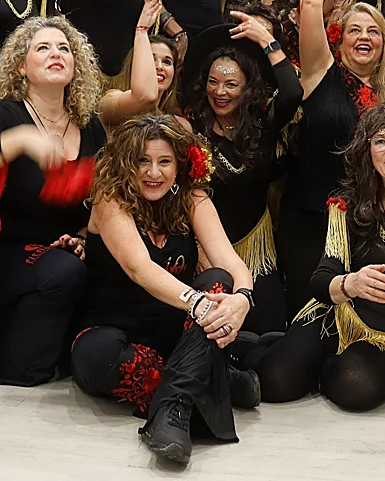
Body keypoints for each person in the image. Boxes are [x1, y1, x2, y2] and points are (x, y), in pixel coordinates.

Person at [70, 114, 257, 466]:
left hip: (177, 333)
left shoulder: (192, 198)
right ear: (127, 163)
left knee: (217, 277)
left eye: (164, 162)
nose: (153, 172)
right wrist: (198, 304)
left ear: (179, 166)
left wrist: (242, 299)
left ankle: (175, 408)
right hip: (113, 330)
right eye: (143, 160)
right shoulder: (109, 199)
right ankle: (216, 382)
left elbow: (230, 263)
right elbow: (139, 268)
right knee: (96, 356)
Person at [0, 16, 106, 386]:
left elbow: (105, 198)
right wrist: (18, 141)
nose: (55, 54)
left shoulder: (89, 123)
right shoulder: (5, 115)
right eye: (42, 48)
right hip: (1, 254)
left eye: (64, 48)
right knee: (65, 272)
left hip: (64, 252)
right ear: (21, 66)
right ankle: (15, 357)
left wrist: (83, 235)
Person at [254, 102, 385, 410]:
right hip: (337, 317)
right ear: (368, 153)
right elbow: (321, 280)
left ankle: (319, 365)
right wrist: (350, 284)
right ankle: (266, 349)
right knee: (274, 382)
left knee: (354, 387)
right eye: (380, 141)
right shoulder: (348, 206)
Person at [278, 0, 385, 319]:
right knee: (306, 317)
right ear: (338, 38)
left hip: (367, 224)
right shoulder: (321, 73)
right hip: (309, 218)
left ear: (384, 43)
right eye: (355, 30)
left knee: (354, 324)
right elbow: (308, 2)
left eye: (373, 31)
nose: (364, 37)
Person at [184, 14, 302, 333]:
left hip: (256, 247)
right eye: (213, 81)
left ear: (248, 88)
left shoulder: (263, 125)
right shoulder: (191, 131)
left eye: (231, 84)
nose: (220, 91)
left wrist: (266, 40)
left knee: (271, 331)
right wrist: (196, 247)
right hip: (206, 252)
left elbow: (292, 92)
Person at [98, 0, 180, 128]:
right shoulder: (109, 102)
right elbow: (145, 96)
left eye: (167, 62)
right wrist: (141, 31)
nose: (159, 67)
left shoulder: (180, 125)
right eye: (151, 59)